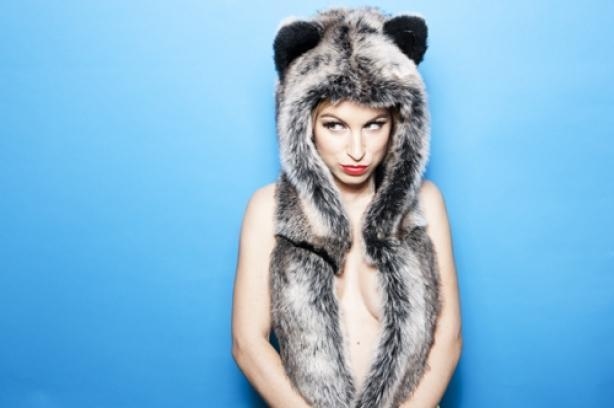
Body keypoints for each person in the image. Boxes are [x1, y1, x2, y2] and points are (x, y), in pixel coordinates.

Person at [231, 7, 462, 408]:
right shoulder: (268, 208)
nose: (357, 150)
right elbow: (247, 343)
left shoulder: (426, 202)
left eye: (374, 125)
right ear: (303, 124)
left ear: (399, 123)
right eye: (334, 125)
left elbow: (449, 339)